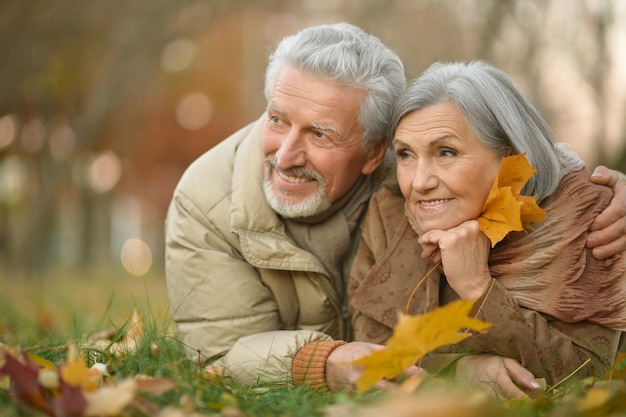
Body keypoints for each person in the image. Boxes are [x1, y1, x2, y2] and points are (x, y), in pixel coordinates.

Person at [165, 22, 626, 392]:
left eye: (320, 133)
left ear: (372, 153)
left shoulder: (591, 222)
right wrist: (326, 362)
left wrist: (612, 185)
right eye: (277, 119)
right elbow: (218, 352)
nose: (284, 155)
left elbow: (513, 146)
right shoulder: (205, 202)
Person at [346, 60, 626, 398]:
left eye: (446, 152)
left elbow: (593, 371)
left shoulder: (587, 220)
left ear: (509, 155)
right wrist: (459, 370)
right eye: (406, 154)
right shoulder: (389, 213)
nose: (418, 182)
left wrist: (478, 289)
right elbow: (369, 343)